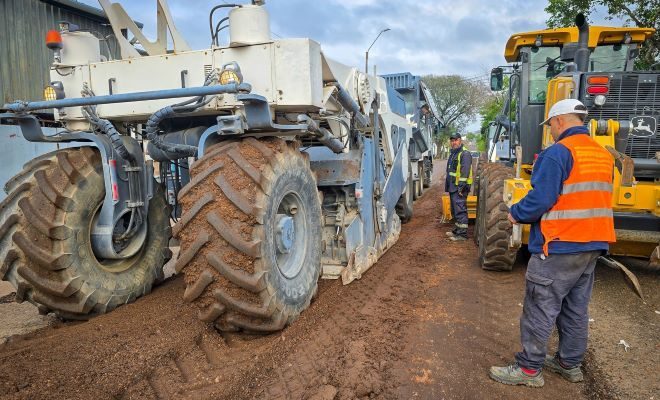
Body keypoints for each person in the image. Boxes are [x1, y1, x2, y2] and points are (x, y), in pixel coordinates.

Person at [489, 99, 615, 387]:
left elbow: (542, 198)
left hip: (560, 243)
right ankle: (569, 364)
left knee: (540, 304)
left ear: (559, 121)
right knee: (575, 308)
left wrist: (515, 214)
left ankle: (529, 369)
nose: (552, 131)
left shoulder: (559, 152)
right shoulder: (602, 154)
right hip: (593, 243)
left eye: (551, 126)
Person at [445, 132, 472, 241]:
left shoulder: (464, 154)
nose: (453, 142)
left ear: (460, 140)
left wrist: (461, 186)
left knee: (460, 209)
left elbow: (465, 172)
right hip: (453, 186)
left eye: (455, 140)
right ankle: (457, 230)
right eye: (452, 140)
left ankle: (462, 235)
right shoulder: (453, 153)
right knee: (455, 210)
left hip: (460, 187)